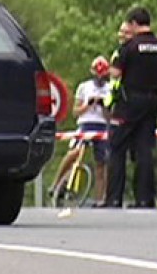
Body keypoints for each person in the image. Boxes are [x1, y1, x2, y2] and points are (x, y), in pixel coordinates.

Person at [102, 7, 157, 209]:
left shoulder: (130, 47)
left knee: (117, 147)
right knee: (145, 151)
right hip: (153, 101)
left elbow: (115, 72)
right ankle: (145, 199)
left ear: (133, 24)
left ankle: (114, 198)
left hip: (129, 102)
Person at [49, 55, 112, 204]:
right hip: (85, 124)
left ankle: (100, 198)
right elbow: (76, 111)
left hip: (102, 126)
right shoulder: (85, 87)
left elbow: (110, 116)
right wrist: (88, 105)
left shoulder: (109, 89)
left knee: (101, 163)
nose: (99, 80)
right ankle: (57, 183)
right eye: (97, 76)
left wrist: (103, 107)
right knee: (75, 153)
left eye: (102, 77)